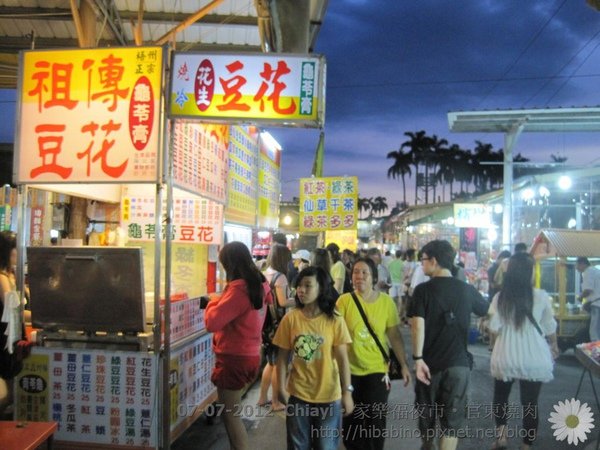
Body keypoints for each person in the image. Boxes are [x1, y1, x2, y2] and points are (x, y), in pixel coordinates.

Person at [408, 240, 489, 450]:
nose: (422, 265)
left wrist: (417, 359)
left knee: (427, 416)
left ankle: (428, 446)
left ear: (434, 261)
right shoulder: (466, 290)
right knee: (452, 423)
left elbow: (417, 325)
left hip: (429, 366)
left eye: (423, 260)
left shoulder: (422, 291)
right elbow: (488, 311)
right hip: (458, 365)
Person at [274, 266, 354, 450]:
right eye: (299, 285)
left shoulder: (334, 320)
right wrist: (280, 388)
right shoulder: (291, 319)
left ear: (321, 288)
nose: (301, 290)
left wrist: (347, 392)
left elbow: (342, 360)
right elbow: (282, 358)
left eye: (308, 285)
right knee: (297, 446)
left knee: (325, 446)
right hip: (299, 395)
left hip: (329, 397)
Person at [336, 257, 411, 450]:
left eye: (364, 272)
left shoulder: (386, 303)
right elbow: (337, 339)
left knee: (375, 422)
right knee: (351, 424)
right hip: (349, 372)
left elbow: (394, 336)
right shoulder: (344, 302)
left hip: (377, 370)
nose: (359, 276)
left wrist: (403, 364)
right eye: (355, 272)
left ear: (374, 278)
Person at [204, 241, 272, 450]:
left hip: (233, 359)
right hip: (251, 355)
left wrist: (211, 302)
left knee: (232, 418)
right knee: (233, 413)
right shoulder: (260, 284)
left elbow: (212, 322)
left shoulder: (239, 289)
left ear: (229, 264)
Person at [488, 252, 558, 450]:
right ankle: (526, 444)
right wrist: (554, 345)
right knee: (530, 403)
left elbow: (494, 327)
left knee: (500, 398)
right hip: (533, 355)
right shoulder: (541, 296)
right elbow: (549, 327)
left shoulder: (500, 298)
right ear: (530, 272)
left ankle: (501, 438)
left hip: (506, 354)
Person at [257, 243, 293, 410]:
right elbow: (284, 301)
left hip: (267, 325)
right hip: (279, 325)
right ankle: (276, 402)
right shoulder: (281, 277)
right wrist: (300, 299)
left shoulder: (265, 274)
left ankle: (262, 398)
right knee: (279, 364)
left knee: (270, 363)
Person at [577, 257, 600, 341]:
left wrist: (580, 297)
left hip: (597, 305)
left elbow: (588, 290)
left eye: (577, 265)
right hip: (597, 303)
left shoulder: (588, 272)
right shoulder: (595, 271)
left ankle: (596, 352)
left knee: (594, 332)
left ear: (582, 264)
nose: (576, 268)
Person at [388, 250, 405, 314]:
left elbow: (389, 271)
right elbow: (403, 273)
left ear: (395, 255)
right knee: (400, 298)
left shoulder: (391, 263)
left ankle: (393, 311)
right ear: (401, 256)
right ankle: (399, 312)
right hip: (400, 282)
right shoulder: (402, 263)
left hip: (392, 282)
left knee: (393, 298)